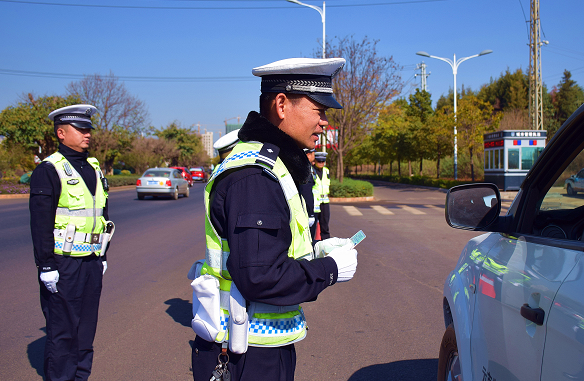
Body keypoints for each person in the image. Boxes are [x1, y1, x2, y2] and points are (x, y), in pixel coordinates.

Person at [191, 57, 359, 381]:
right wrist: (331, 270)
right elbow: (261, 277)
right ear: (282, 105)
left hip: (261, 347)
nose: (325, 122)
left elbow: (275, 254)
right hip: (245, 356)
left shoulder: (277, 167)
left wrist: (319, 253)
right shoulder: (255, 176)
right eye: (319, 110)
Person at [29, 104, 114, 381]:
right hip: (62, 265)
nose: (87, 134)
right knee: (63, 332)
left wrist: (101, 255)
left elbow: (102, 215)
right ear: (62, 133)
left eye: (88, 129)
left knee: (85, 331)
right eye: (80, 129)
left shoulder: (93, 167)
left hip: (91, 262)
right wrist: (45, 266)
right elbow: (40, 223)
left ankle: (80, 377)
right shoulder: (49, 169)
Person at [299, 148, 318, 241]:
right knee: (309, 239)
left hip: (307, 209)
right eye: (313, 153)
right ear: (308, 155)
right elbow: (307, 192)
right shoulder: (305, 169)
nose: (314, 156)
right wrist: (310, 213)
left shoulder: (306, 167)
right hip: (306, 210)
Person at [313, 151, 331, 239]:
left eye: (322, 161)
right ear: (315, 161)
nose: (321, 163)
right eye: (319, 161)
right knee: (312, 226)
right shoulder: (311, 171)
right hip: (315, 203)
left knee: (325, 225)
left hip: (325, 202)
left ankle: (326, 245)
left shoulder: (326, 171)